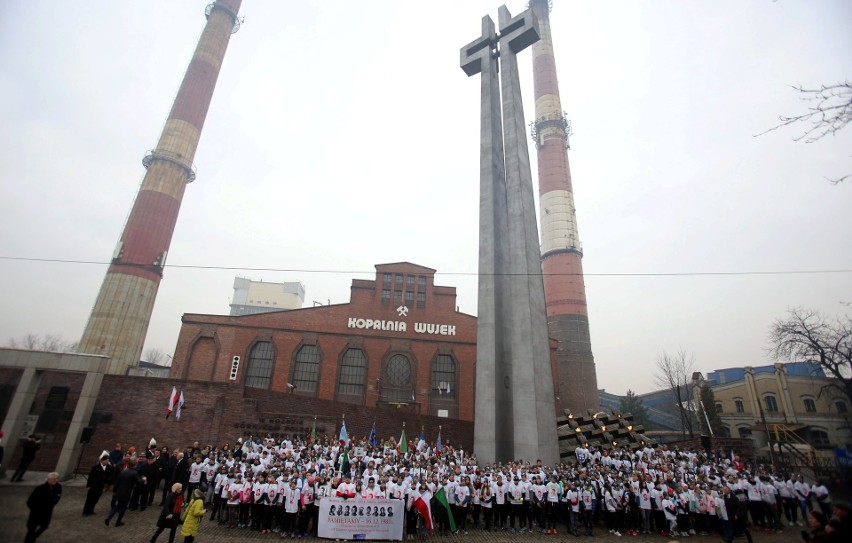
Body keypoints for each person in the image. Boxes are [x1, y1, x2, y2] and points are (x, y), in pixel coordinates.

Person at [106, 457, 146, 527]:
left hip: (119, 491)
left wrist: (115, 491)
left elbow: (117, 482)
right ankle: (118, 522)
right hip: (126, 493)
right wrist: (144, 480)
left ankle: (109, 517)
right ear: (135, 465)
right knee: (123, 508)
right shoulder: (134, 473)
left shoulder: (123, 471)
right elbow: (139, 482)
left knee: (118, 506)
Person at [24, 471, 62, 543]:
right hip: (36, 512)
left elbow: (58, 496)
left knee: (44, 526)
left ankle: (32, 538)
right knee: (31, 528)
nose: (55, 480)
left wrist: (52, 503)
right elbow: (30, 501)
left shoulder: (58, 487)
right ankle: (29, 540)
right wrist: (34, 509)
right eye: (53, 478)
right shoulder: (40, 488)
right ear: (48, 479)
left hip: (47, 511)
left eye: (56, 478)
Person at [83, 451, 113, 515]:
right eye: (107, 460)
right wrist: (88, 485)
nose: (108, 461)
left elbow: (108, 477)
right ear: (103, 460)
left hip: (100, 486)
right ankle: (86, 511)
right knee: (90, 499)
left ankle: (91, 510)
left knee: (96, 499)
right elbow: (91, 477)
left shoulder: (108, 468)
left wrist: (107, 485)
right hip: (94, 485)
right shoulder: (95, 467)